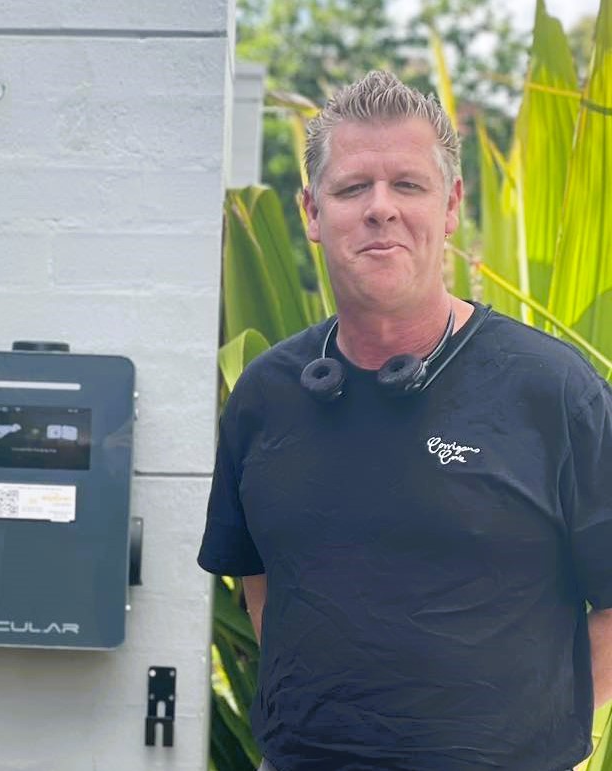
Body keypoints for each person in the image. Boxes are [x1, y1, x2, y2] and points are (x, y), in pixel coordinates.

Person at [197, 71, 612, 771]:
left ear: (451, 206)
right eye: (353, 188)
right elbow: (262, 582)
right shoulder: (265, 396)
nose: (379, 209)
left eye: (407, 185)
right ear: (311, 210)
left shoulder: (554, 390)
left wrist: (533, 742)